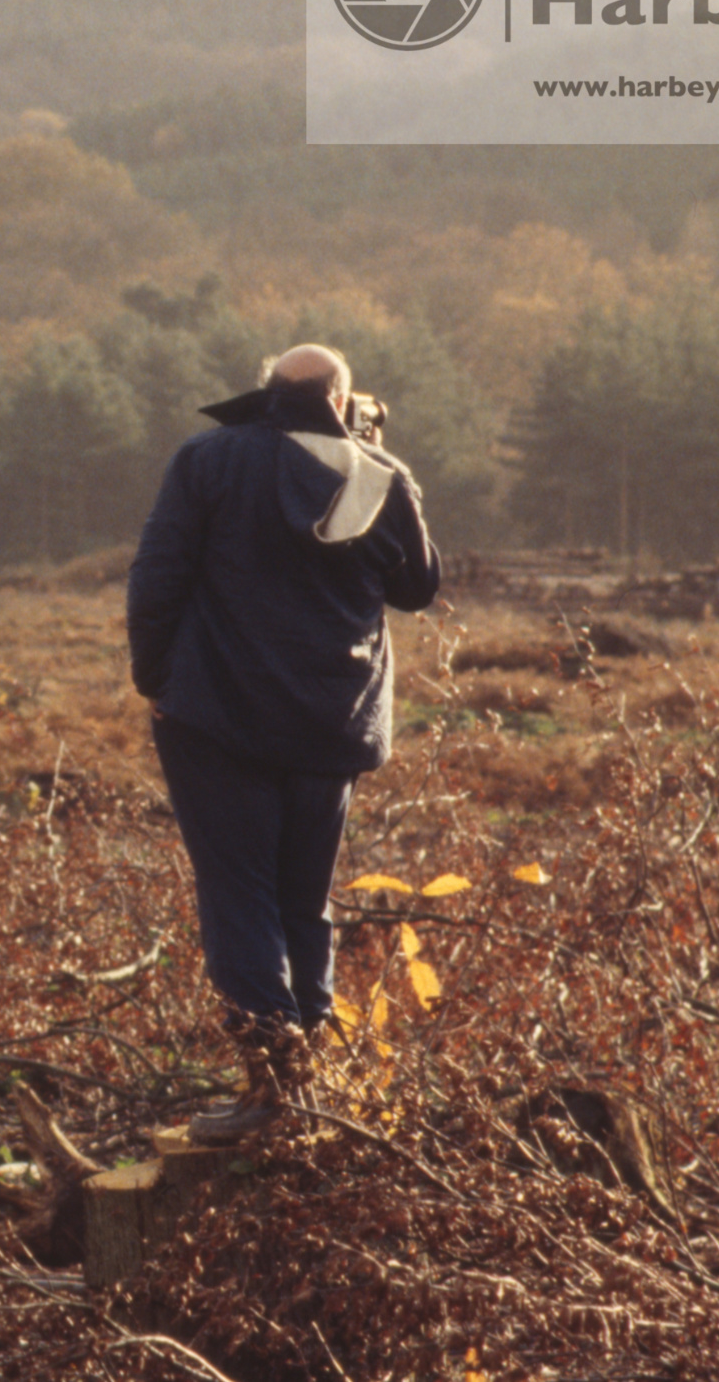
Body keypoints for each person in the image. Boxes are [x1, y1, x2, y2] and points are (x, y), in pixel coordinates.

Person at [126, 344, 441, 1145]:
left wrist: (155, 681)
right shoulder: (379, 475)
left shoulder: (208, 459)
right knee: (304, 902)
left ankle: (273, 1087)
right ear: (341, 399)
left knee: (241, 896)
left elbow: (157, 575)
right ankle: (312, 1083)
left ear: (266, 393)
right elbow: (418, 586)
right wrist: (366, 451)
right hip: (327, 730)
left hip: (217, 720)